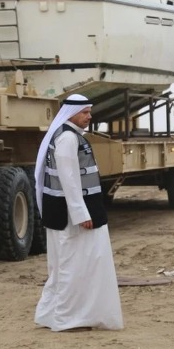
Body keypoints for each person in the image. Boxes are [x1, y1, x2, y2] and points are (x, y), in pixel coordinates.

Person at [34, 94, 123, 331]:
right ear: (71, 113)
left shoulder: (70, 136)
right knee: (74, 266)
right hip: (72, 216)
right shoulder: (67, 138)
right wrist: (80, 214)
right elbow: (69, 179)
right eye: (85, 112)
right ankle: (69, 319)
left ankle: (51, 315)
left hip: (67, 212)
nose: (89, 116)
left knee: (65, 266)